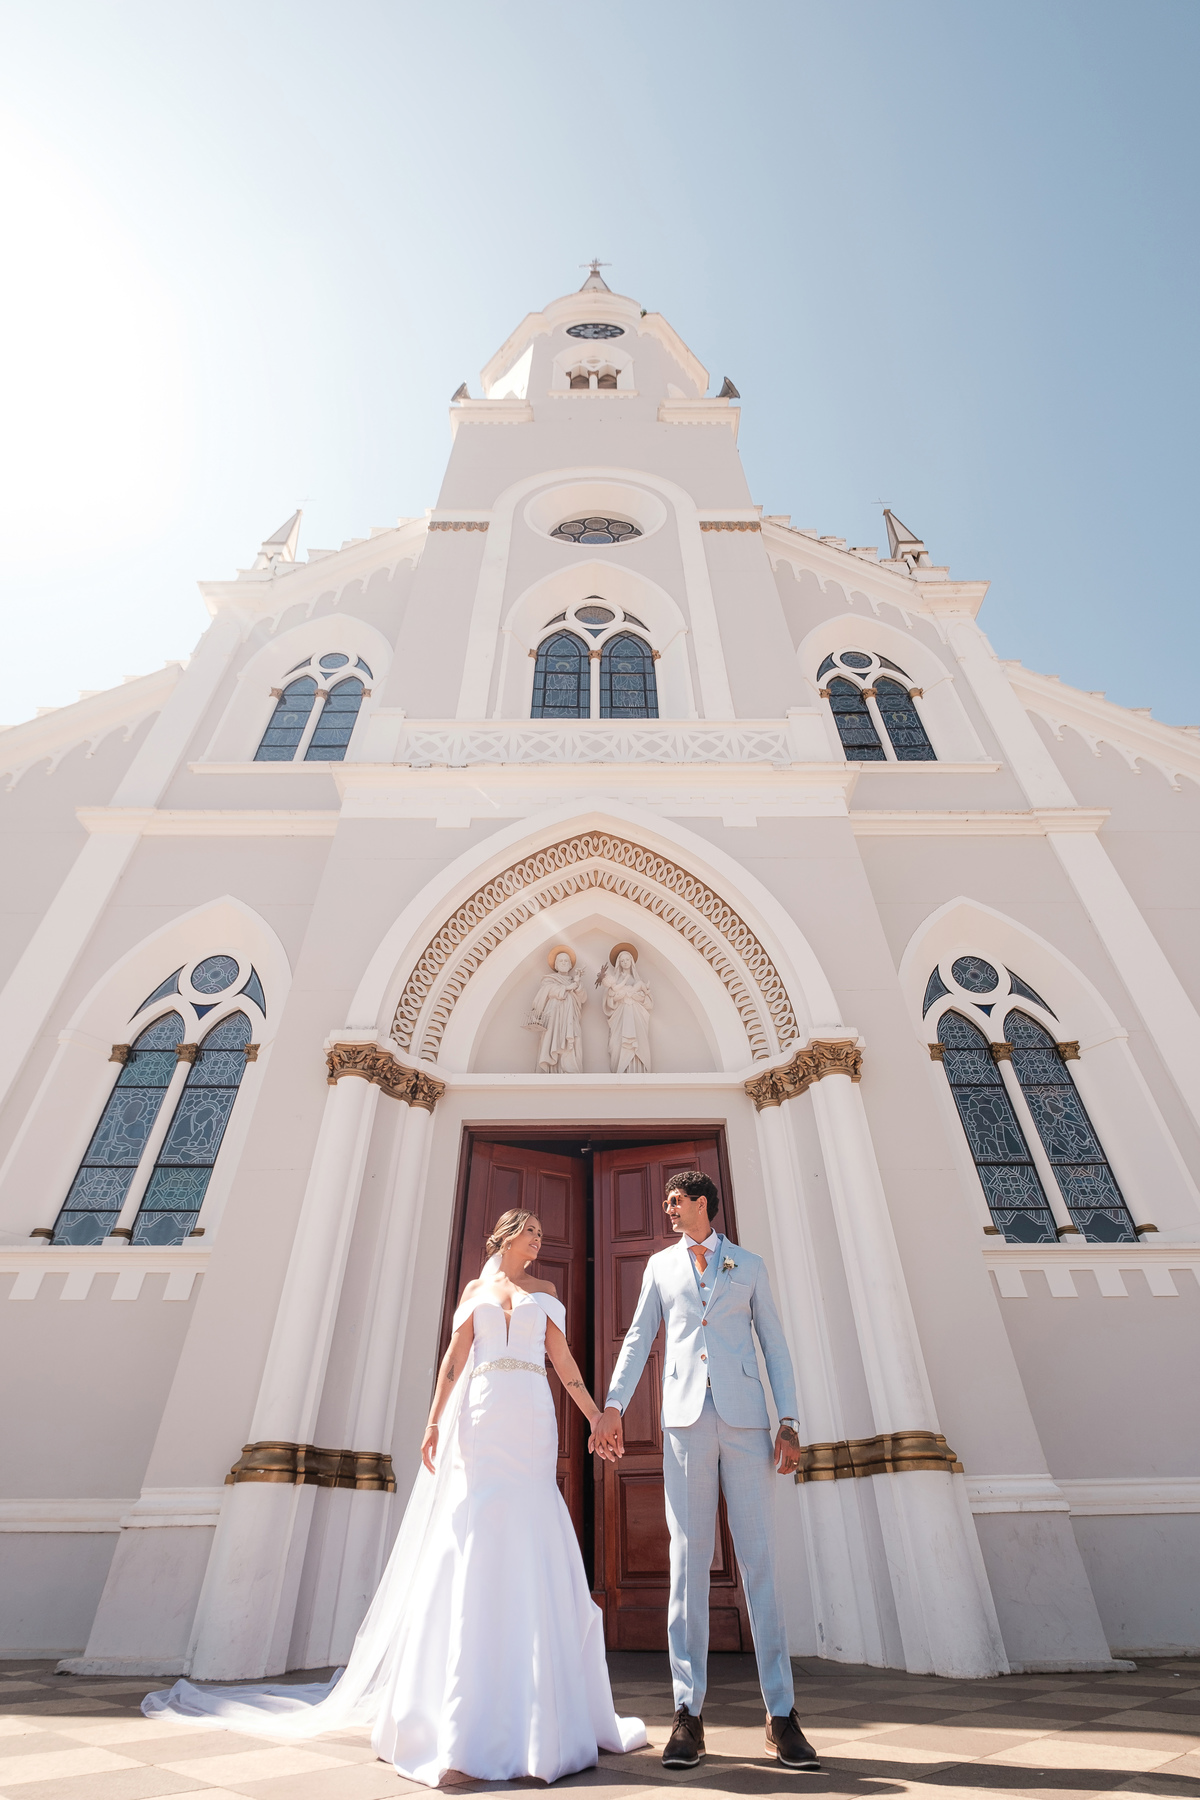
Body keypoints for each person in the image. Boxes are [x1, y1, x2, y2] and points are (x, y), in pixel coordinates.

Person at [143, 1209, 646, 1786]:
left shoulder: (547, 1291)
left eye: (541, 1234)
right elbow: (455, 1361)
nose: (539, 1242)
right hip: (482, 1417)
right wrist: (433, 1424)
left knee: (531, 1524)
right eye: (531, 1233)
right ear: (507, 1237)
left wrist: (595, 1421)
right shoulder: (476, 1290)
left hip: (531, 1414)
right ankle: (460, 1727)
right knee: (479, 1529)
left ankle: (542, 1718)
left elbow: (565, 1366)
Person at [591, 1170, 820, 1774]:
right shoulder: (661, 1267)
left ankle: (782, 1714)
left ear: (703, 1205)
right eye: (666, 1200)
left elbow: (775, 1345)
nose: (667, 1208)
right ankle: (687, 1713)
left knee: (759, 1559)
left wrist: (789, 1421)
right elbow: (640, 1337)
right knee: (688, 1561)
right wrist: (614, 1405)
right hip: (685, 1424)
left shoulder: (748, 1264)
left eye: (675, 1200)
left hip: (747, 1423)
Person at [525, 945, 586, 1073]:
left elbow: (583, 998)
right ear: (556, 965)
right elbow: (547, 991)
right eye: (560, 961)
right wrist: (568, 988)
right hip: (554, 1015)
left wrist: (577, 984)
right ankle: (553, 1069)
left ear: (570, 965)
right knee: (553, 1038)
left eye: (566, 961)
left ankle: (571, 1069)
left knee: (575, 1037)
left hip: (571, 1016)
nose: (563, 963)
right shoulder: (549, 980)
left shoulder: (574, 981)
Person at [597, 944, 653, 1073]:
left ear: (631, 961)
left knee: (638, 1040)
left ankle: (638, 1067)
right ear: (619, 963)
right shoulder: (615, 980)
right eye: (622, 960)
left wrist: (639, 997)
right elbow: (608, 1002)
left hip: (637, 1014)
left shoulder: (638, 980)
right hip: (621, 1015)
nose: (625, 962)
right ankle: (622, 1068)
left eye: (627, 959)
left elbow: (649, 1003)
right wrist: (616, 996)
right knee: (619, 1043)